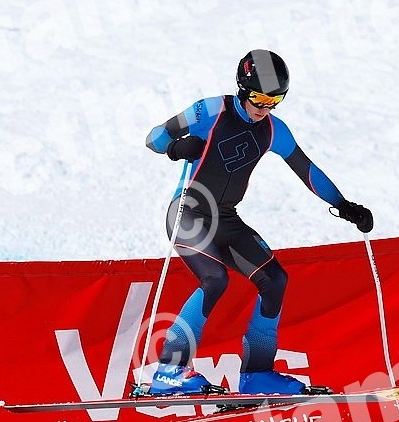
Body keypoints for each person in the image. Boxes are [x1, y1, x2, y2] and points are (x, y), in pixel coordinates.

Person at [141, 50, 374, 396]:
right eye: (260, 99)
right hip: (188, 212)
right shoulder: (211, 110)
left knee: (275, 280)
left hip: (226, 218)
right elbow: (154, 139)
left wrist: (344, 205)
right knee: (215, 279)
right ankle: (169, 370)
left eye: (275, 101)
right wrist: (177, 148)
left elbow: (307, 170)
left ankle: (256, 373)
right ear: (243, 89)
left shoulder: (273, 130)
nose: (265, 108)